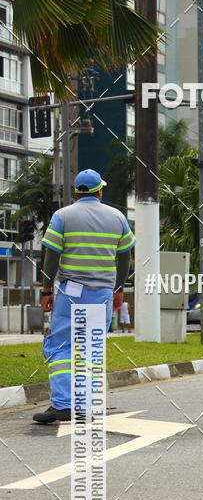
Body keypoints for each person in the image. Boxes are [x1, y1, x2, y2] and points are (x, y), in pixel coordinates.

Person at [34, 169, 135, 424]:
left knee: (61, 345)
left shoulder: (63, 216)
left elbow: (52, 255)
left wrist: (46, 289)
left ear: (77, 191)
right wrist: (119, 289)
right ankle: (86, 404)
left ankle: (62, 404)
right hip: (102, 293)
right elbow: (125, 258)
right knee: (92, 347)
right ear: (99, 191)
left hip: (72, 291)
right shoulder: (117, 217)